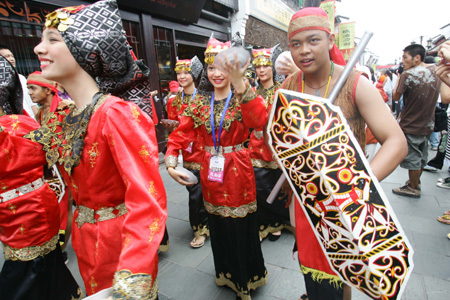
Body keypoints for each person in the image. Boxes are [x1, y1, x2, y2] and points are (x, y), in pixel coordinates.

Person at [28, 1, 167, 298]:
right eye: (42, 39)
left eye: (53, 39)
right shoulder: (68, 116)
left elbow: (147, 198)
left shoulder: (115, 115)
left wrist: (134, 269)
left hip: (121, 246)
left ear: (86, 50)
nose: (39, 48)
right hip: (85, 241)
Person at [282, 7, 407, 300]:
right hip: (304, 195)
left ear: (330, 39)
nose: (304, 51)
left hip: (346, 200)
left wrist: (359, 185)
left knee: (342, 267)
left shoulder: (355, 83)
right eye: (295, 44)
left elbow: (396, 142)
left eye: (313, 40)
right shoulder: (289, 86)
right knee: (312, 263)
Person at [165, 36, 268, 299]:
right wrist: (170, 161)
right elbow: (179, 135)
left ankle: (246, 281)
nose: (216, 73)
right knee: (218, 226)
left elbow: (259, 121)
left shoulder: (242, 98)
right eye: (211, 67)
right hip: (211, 171)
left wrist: (241, 83)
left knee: (240, 227)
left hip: (239, 170)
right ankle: (225, 274)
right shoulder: (199, 103)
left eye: (223, 67)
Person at [0, 54, 82, 300]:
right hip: (35, 194)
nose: (31, 93)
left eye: (35, 88)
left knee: (29, 269)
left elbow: (65, 148)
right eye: (29, 89)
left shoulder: (24, 124)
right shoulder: (32, 120)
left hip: (40, 195)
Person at [166, 56, 209, 248]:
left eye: (186, 72)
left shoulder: (207, 98)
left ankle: (211, 224)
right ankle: (199, 228)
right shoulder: (173, 102)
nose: (182, 76)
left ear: (195, 73)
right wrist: (172, 160)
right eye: (179, 73)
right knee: (195, 194)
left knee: (211, 192)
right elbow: (176, 132)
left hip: (209, 152)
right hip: (190, 155)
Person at [249, 47, 290, 241]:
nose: (262, 70)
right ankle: (264, 223)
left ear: (273, 68)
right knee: (260, 185)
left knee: (276, 183)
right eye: (258, 67)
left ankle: (278, 222)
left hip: (277, 143)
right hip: (256, 143)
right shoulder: (252, 92)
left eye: (266, 65)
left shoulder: (281, 91)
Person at [391, 44, 441, 198]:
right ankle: (415, 182)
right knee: (421, 156)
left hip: (411, 123)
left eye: (405, 57)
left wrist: (399, 77)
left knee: (413, 157)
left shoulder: (408, 75)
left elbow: (396, 97)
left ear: (417, 58)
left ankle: (413, 187)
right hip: (428, 123)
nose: (403, 61)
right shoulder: (436, 71)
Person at [0, 44, 38, 119]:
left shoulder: (21, 78)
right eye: (7, 56)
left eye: (12, 56)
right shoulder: (2, 82)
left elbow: (31, 103)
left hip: (30, 121)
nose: (11, 59)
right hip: (12, 122)